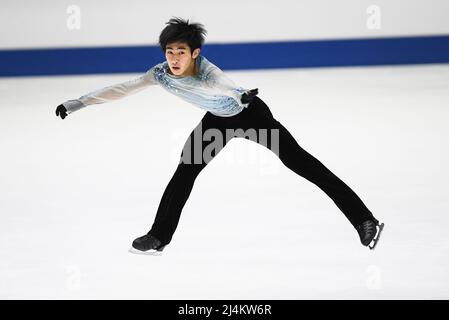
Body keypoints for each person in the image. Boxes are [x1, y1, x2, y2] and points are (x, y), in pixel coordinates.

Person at [55, 17, 384, 253]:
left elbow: (223, 84)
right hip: (217, 123)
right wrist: (80, 102)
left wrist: (242, 94)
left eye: (180, 52)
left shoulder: (208, 71)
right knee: (184, 173)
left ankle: (364, 220)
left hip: (251, 116)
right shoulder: (160, 75)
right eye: (169, 51)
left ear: (194, 53)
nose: (173, 58)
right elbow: (123, 89)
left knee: (303, 164)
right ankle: (158, 236)